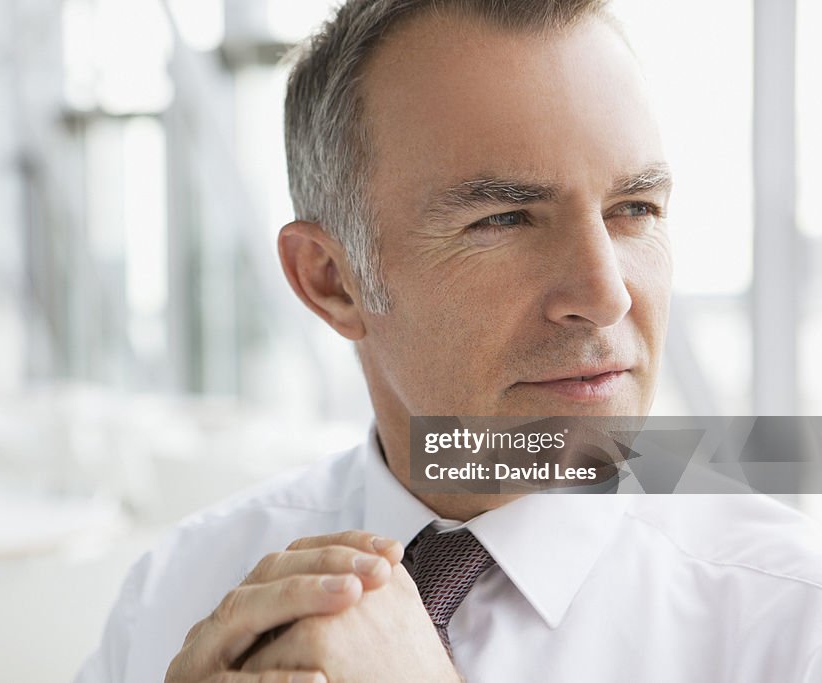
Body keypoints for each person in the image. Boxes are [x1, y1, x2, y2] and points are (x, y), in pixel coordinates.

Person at [75, 1, 822, 681]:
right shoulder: (175, 592)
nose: (606, 295)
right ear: (332, 281)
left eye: (634, 208)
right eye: (504, 220)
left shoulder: (789, 620)